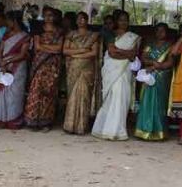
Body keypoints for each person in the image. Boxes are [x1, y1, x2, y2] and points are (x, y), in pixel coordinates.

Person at [92, 11, 140, 141]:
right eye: (121, 20)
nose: (123, 22)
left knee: (122, 98)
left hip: (124, 72)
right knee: (111, 98)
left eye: (126, 20)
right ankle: (105, 129)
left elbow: (133, 55)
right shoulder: (110, 35)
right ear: (116, 21)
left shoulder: (133, 37)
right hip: (111, 70)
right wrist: (125, 53)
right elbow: (112, 53)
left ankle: (118, 130)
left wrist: (120, 51)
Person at [0, 11, 30, 129]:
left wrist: (7, 62)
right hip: (2, 65)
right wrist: (1, 61)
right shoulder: (6, 34)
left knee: (14, 93)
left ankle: (13, 119)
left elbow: (22, 54)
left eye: (9, 21)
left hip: (17, 67)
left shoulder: (24, 36)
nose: (6, 23)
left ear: (14, 21)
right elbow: (0, 50)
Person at [24, 6, 64, 132]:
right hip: (39, 64)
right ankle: (33, 120)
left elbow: (59, 49)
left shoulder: (60, 31)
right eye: (46, 15)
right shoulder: (38, 30)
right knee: (36, 90)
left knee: (49, 92)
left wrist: (46, 47)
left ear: (55, 17)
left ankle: (46, 122)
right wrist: (51, 48)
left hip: (53, 66)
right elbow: (37, 47)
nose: (48, 18)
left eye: (51, 15)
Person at [135, 23, 174, 141]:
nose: (160, 33)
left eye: (162, 31)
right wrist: (153, 64)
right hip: (149, 76)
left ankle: (159, 132)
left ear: (166, 32)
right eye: (158, 30)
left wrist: (159, 66)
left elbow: (170, 62)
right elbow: (143, 57)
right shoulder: (150, 44)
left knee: (159, 104)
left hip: (162, 77)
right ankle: (144, 131)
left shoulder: (170, 46)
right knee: (146, 102)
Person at [62, 12, 99, 135]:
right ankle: (69, 125)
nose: (81, 21)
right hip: (73, 68)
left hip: (86, 69)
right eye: (79, 19)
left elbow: (94, 53)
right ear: (76, 21)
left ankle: (81, 127)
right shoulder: (71, 35)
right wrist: (82, 50)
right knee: (72, 95)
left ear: (87, 20)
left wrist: (76, 55)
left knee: (84, 96)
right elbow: (65, 50)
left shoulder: (93, 36)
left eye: (84, 18)